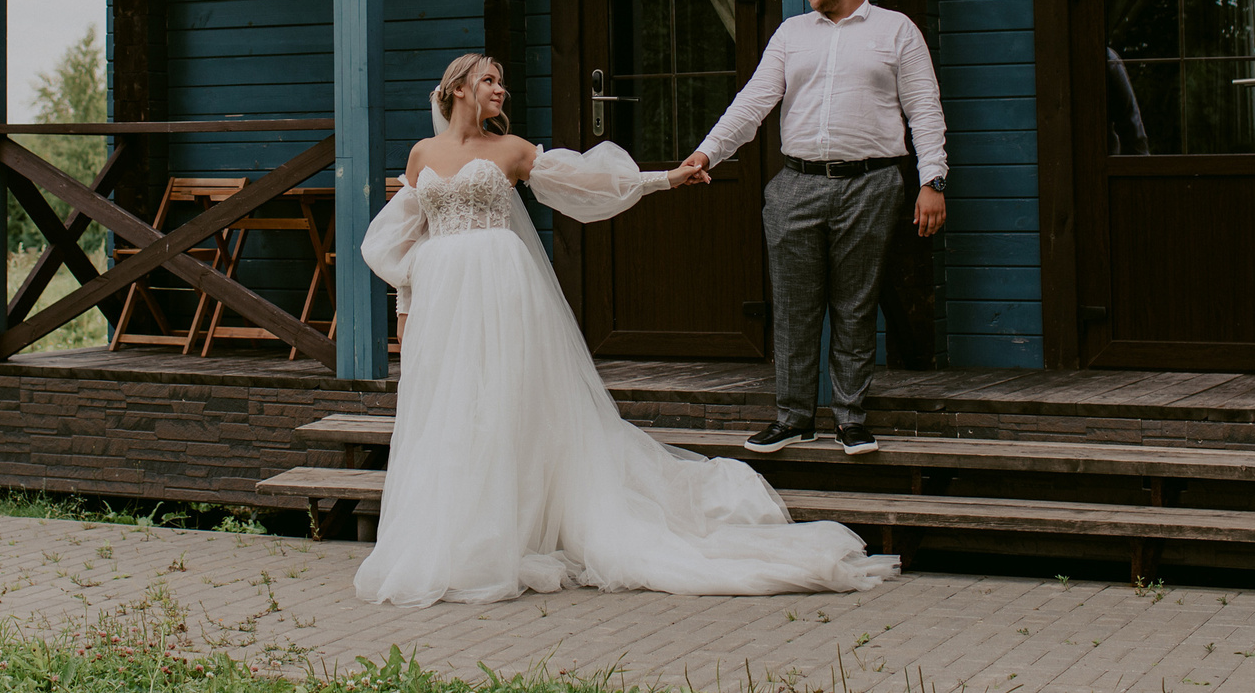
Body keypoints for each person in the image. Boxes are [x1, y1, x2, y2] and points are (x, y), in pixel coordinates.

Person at [352, 53, 897, 608]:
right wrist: (405, 319)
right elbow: (406, 241)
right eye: (489, 80)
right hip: (444, 300)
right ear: (457, 89)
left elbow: (589, 183)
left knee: (504, 403)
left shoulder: (512, 151)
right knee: (453, 409)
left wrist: (665, 178)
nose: (500, 90)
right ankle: (454, 537)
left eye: (501, 81)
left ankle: (506, 532)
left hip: (501, 291)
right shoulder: (423, 154)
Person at [678, 0, 946, 458]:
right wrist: (708, 153)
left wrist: (931, 180)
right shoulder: (791, 34)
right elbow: (753, 102)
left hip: (871, 183)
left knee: (855, 305)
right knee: (793, 308)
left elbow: (924, 107)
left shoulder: (896, 30)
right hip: (795, 185)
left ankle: (851, 419)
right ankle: (793, 418)